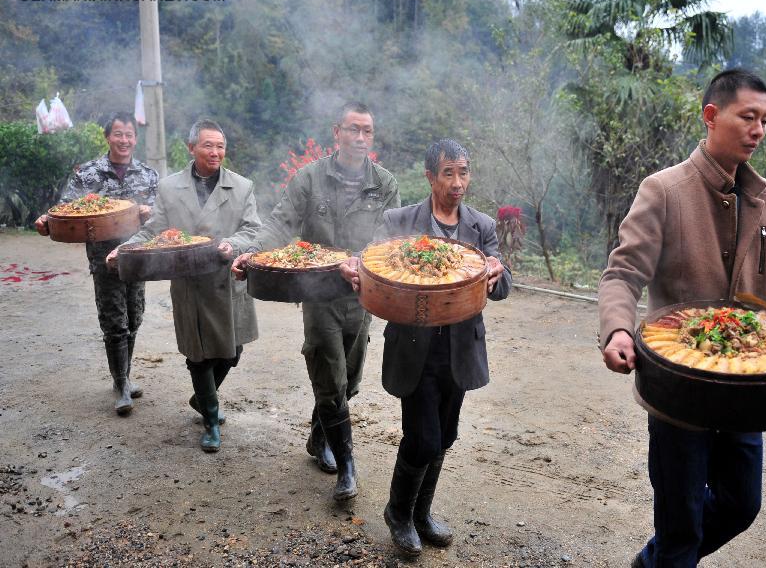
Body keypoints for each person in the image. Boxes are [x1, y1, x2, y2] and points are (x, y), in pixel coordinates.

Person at [597, 69, 766, 568]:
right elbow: (623, 274)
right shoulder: (664, 190)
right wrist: (619, 329)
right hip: (678, 389)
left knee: (740, 505)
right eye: (748, 117)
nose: (758, 129)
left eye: (765, 120)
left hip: (749, 387)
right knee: (681, 524)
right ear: (712, 117)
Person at [341, 138, 511, 555]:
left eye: (464, 172)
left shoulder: (481, 226)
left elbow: (502, 286)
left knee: (446, 434)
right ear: (431, 176)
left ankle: (420, 513)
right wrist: (354, 268)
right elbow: (371, 264)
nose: (458, 182)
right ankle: (398, 513)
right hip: (414, 347)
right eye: (449, 173)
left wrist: (496, 273)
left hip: (460, 349)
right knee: (423, 438)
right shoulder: (400, 221)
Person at [232, 102, 399, 499]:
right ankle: (347, 468)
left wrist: (363, 260)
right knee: (329, 373)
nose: (361, 138)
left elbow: (387, 236)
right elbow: (279, 222)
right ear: (336, 132)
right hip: (318, 292)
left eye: (368, 132)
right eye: (353, 130)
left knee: (351, 379)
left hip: (362, 294)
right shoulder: (309, 178)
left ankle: (317, 436)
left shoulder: (384, 182)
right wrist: (251, 252)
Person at [107, 119, 261, 452]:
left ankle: (201, 397)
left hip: (226, 280)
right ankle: (210, 417)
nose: (215, 152)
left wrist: (231, 245)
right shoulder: (170, 187)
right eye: (208, 145)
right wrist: (125, 248)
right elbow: (153, 231)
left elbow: (252, 231)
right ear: (191, 148)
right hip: (189, 283)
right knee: (199, 355)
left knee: (233, 353)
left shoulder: (242, 186)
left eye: (220, 145)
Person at [35, 112, 158, 416]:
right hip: (104, 258)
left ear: (135, 138)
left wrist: (148, 211)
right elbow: (66, 208)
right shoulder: (88, 173)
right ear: (108, 137)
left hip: (137, 255)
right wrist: (47, 220)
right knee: (114, 320)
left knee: (135, 315)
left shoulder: (147, 173)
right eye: (118, 134)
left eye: (129, 134)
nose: (124, 140)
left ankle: (125, 376)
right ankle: (120, 384)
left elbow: (161, 211)